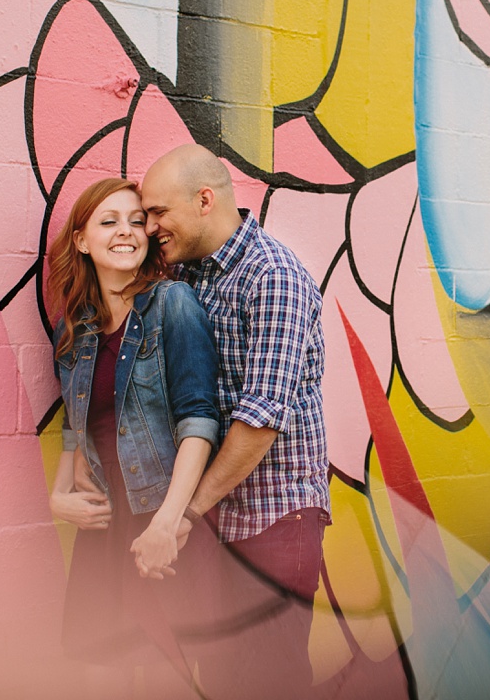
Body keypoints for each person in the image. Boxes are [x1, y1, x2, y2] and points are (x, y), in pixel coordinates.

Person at [140, 143, 330, 698]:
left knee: (272, 678)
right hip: (219, 521)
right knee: (221, 679)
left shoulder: (273, 276)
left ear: (204, 199)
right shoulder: (194, 276)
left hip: (275, 522)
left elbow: (260, 419)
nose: (150, 227)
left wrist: (185, 513)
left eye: (158, 212)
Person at [47, 177, 220, 698]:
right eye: (108, 221)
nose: (127, 232)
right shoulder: (73, 326)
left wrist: (169, 523)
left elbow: (200, 420)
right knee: (101, 677)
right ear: (81, 240)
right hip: (103, 530)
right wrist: (59, 494)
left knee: (171, 677)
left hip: (162, 527)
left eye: (135, 220)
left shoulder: (173, 304)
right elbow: (74, 424)